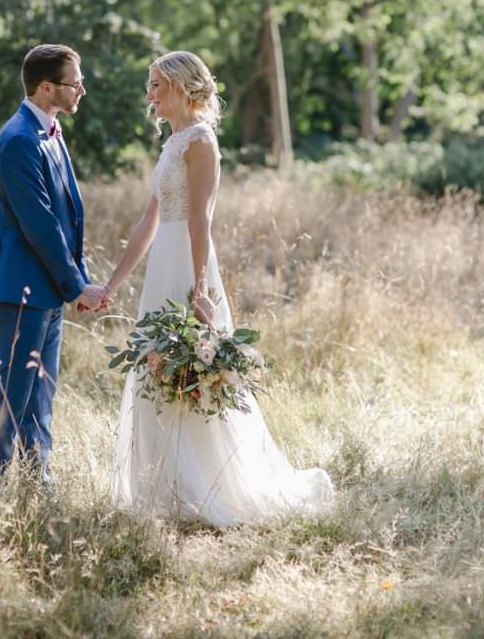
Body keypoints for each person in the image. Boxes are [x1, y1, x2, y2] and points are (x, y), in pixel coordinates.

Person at [103, 50, 333, 527]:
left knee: (193, 375)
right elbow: (149, 220)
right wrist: (112, 283)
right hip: (161, 265)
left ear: (183, 87)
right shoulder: (171, 143)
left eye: (156, 85)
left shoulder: (201, 141)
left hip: (188, 266)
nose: (149, 95)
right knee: (155, 367)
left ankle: (208, 487)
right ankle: (163, 488)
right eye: (149, 85)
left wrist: (202, 288)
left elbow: (199, 218)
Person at [0, 43, 107, 482]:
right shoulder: (17, 140)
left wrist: (81, 280)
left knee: (41, 394)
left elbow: (70, 216)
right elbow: (41, 226)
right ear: (46, 87)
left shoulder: (51, 132)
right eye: (75, 83)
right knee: (12, 393)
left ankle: (39, 481)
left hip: (49, 287)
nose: (82, 90)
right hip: (23, 289)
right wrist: (77, 288)